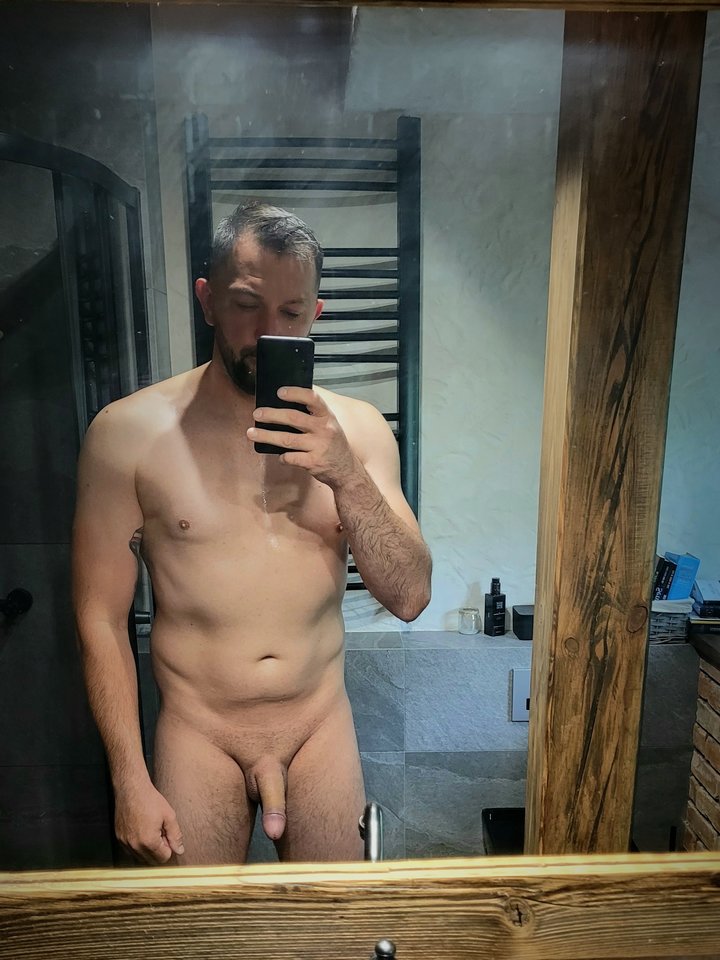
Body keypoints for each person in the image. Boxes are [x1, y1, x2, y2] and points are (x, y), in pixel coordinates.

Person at [72, 201, 432, 866]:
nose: (268, 332)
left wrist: (345, 475)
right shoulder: (126, 435)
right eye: (245, 305)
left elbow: (409, 596)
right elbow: (100, 615)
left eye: (290, 313)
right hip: (199, 731)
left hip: (318, 725)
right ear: (208, 301)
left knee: (330, 923)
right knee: (197, 924)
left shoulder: (359, 432)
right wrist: (129, 779)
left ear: (315, 314)